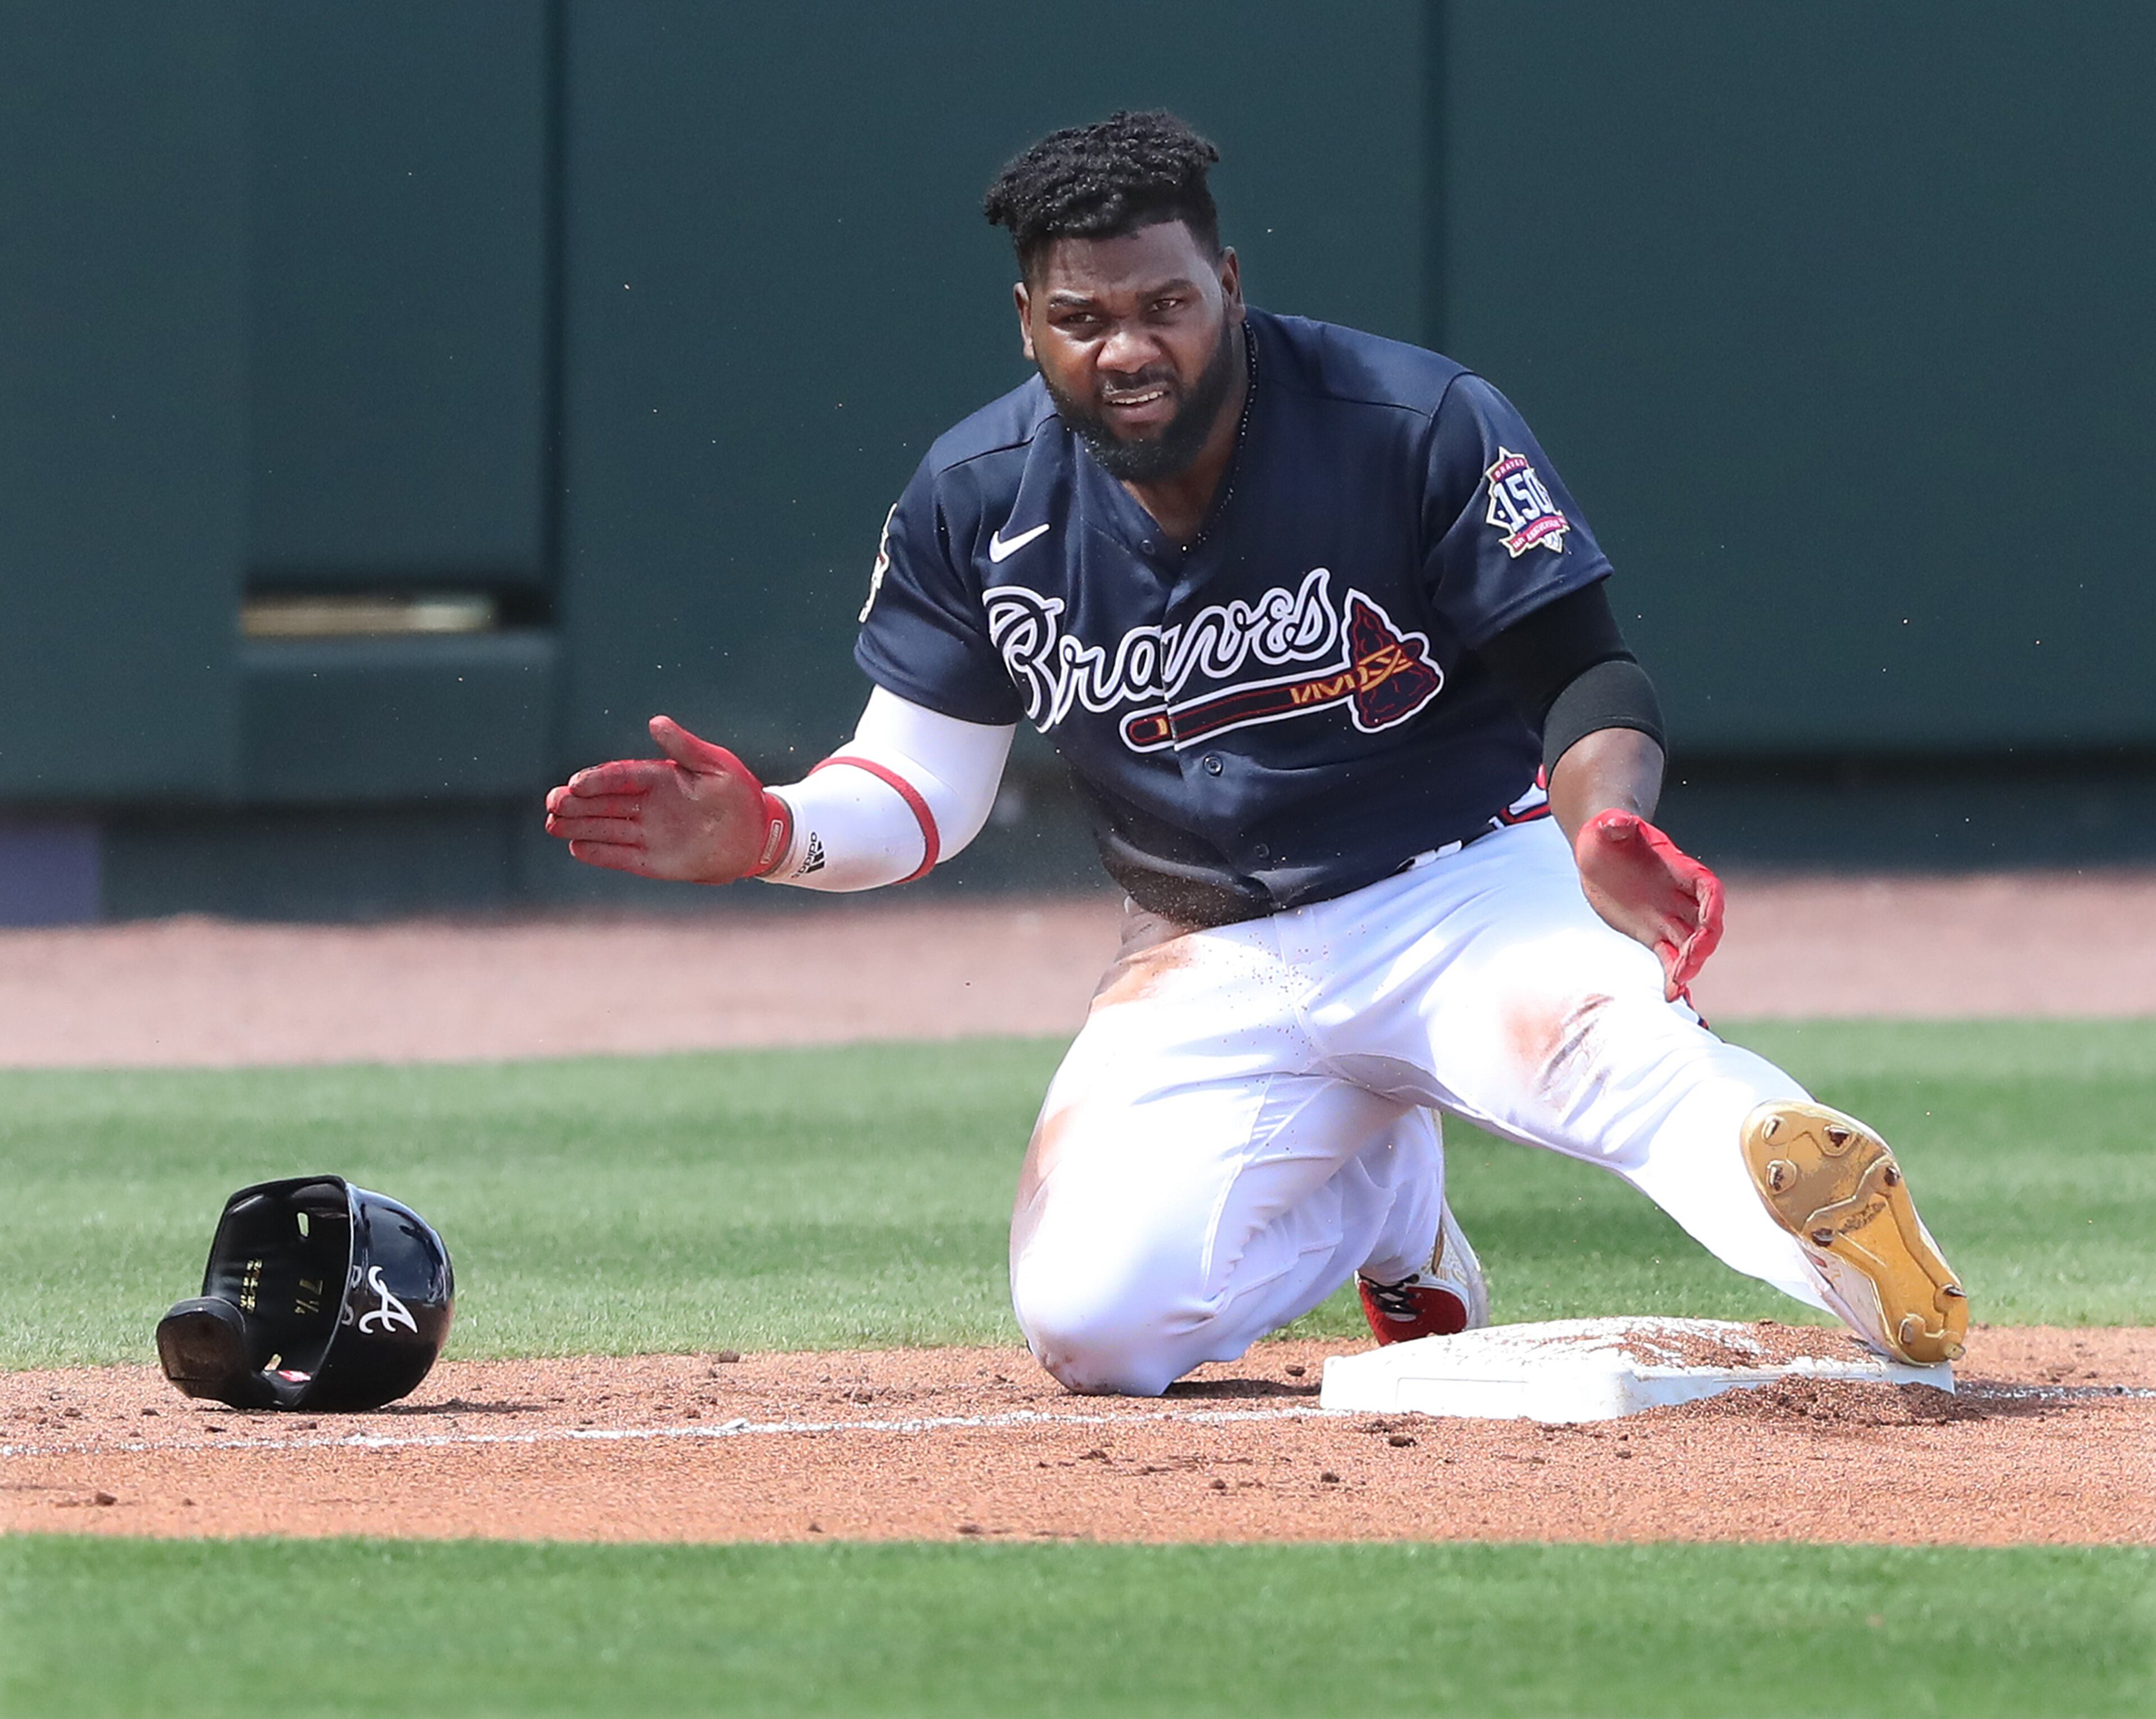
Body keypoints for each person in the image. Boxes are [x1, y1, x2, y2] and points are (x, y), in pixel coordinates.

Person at [543, 111, 1967, 1396]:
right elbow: (922, 784)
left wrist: (1602, 823)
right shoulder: (976, 499)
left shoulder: (1408, 421)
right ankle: (1391, 1207)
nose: (1128, 344)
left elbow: (1584, 665)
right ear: (1028, 323)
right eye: (1081, 315)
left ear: (1227, 284)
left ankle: (1856, 1258)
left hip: (1465, 885)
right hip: (1207, 948)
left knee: (1616, 1056)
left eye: (1163, 302)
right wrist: (772, 834)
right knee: (1094, 1331)